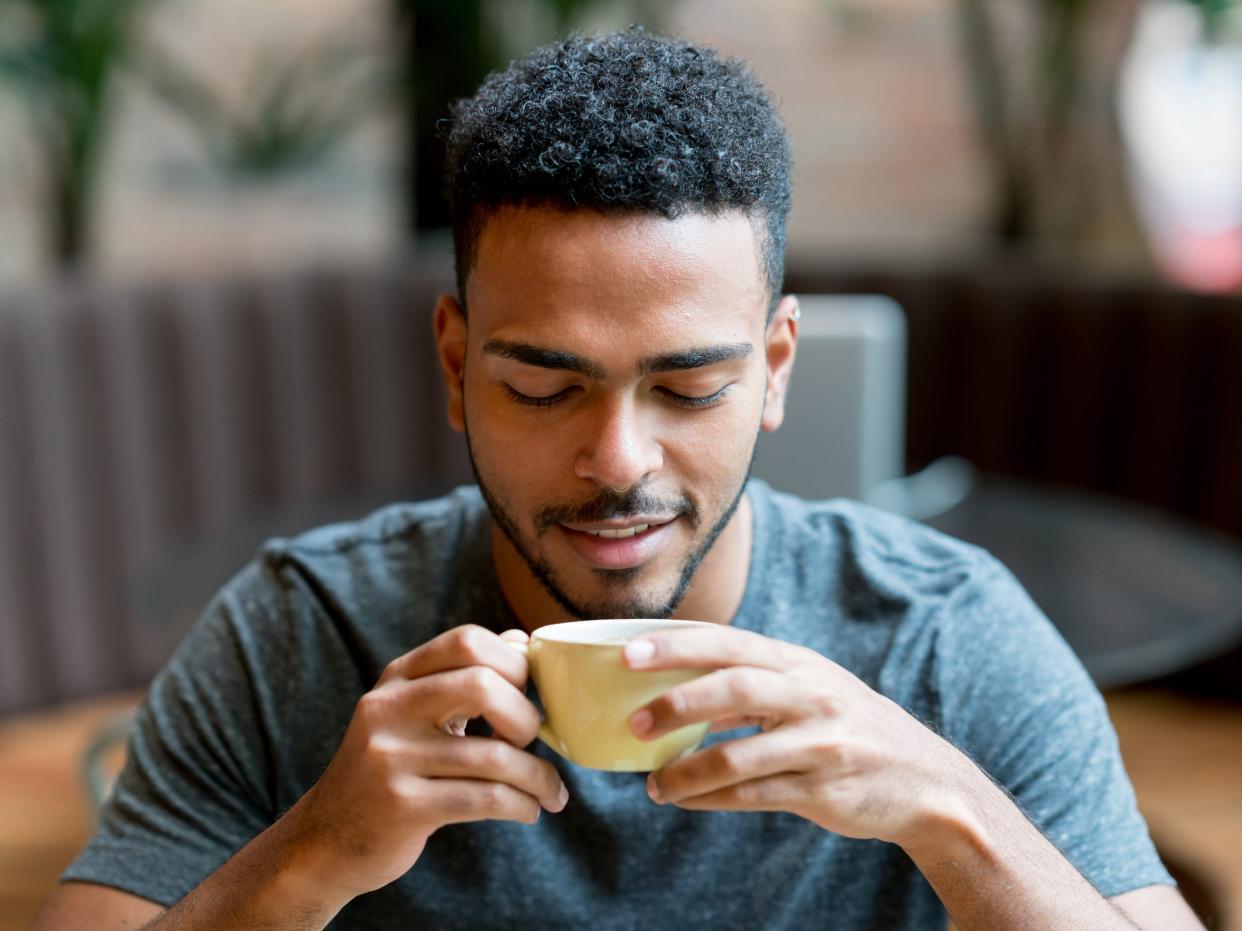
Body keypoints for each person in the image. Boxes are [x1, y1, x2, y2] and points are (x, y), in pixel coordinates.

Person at [36, 27, 1201, 931]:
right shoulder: (302, 632)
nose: (618, 461)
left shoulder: (940, 636)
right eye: (544, 387)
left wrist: (950, 812)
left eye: (690, 387)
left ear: (777, 367)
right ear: (454, 366)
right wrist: (314, 851)